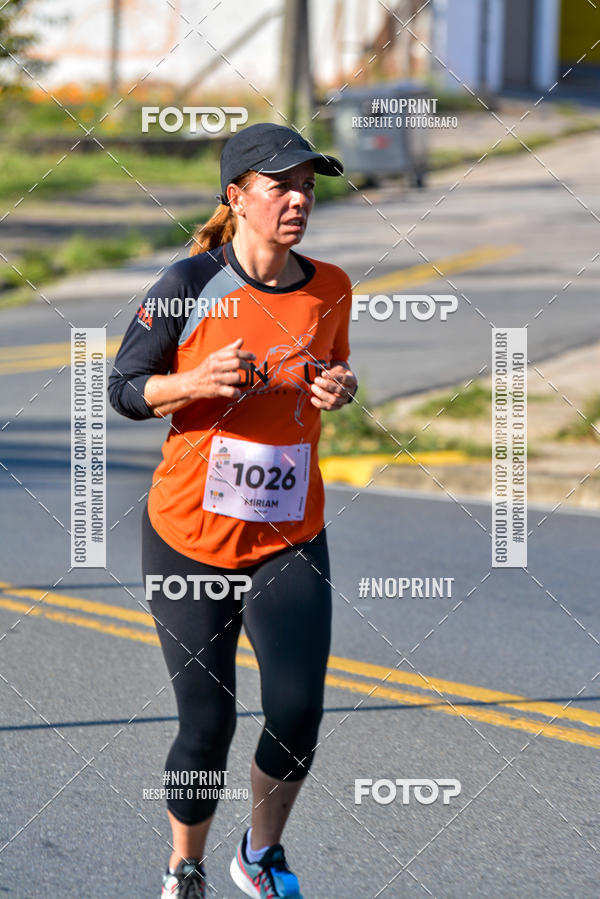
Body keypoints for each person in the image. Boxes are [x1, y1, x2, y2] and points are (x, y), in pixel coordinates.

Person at [108, 122, 357, 899]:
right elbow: (124, 389)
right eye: (281, 185)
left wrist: (339, 387)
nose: (298, 201)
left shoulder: (331, 286)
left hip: (288, 533)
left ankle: (261, 851)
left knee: (296, 712)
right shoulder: (186, 284)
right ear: (236, 197)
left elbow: (335, 367)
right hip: (187, 537)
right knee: (206, 724)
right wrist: (195, 382)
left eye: (307, 187)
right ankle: (185, 866)